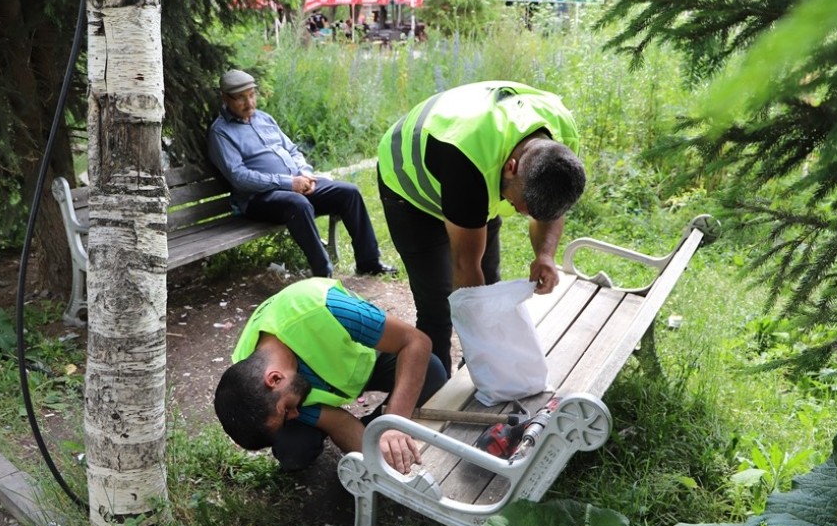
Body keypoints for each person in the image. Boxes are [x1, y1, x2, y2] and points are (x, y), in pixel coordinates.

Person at [375, 80, 587, 375]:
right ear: (511, 167)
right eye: (520, 206)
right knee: (439, 303)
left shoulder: (559, 142)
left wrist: (545, 255)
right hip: (411, 186)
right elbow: (465, 266)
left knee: (488, 283)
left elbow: (551, 207)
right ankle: (434, 387)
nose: (522, 213)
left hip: (477, 171)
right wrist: (487, 349)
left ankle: (476, 373)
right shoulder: (467, 162)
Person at [214, 277, 448, 474]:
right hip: (319, 384)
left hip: (363, 363)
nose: (295, 414)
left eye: (287, 411)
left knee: (432, 370)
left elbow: (416, 341)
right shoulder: (249, 378)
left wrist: (393, 425)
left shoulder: (324, 308)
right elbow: (337, 421)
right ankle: (375, 439)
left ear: (275, 379)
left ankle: (378, 429)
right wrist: (379, 462)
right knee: (293, 449)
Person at [207, 69, 398, 278]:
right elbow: (239, 177)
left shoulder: (264, 119)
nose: (250, 103)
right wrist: (289, 183)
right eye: (241, 98)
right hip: (258, 199)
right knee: (298, 204)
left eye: (252, 95)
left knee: (348, 192)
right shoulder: (221, 132)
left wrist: (305, 174)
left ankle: (369, 262)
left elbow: (292, 150)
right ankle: (323, 274)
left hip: (296, 185)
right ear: (225, 98)